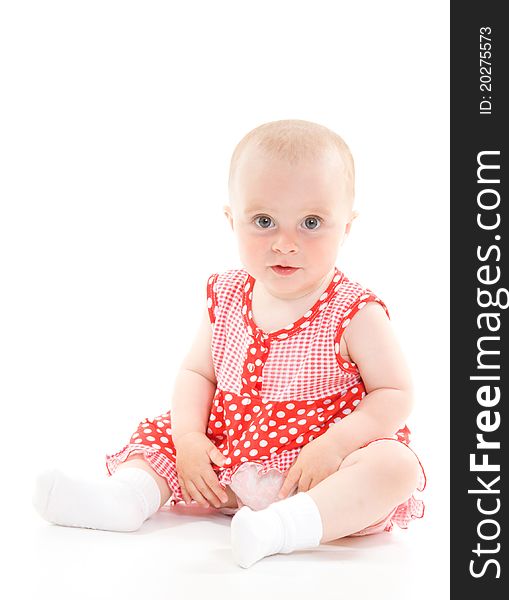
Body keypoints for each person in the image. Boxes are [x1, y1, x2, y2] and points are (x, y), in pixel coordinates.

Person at [33, 119, 425, 568]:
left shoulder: (355, 311)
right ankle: (125, 499)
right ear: (231, 219)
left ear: (347, 227)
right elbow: (197, 372)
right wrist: (190, 438)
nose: (284, 243)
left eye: (311, 223)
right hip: (223, 456)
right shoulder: (227, 294)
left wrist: (336, 446)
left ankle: (284, 527)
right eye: (264, 221)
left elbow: (395, 393)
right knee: (158, 440)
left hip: (313, 468)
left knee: (395, 466)